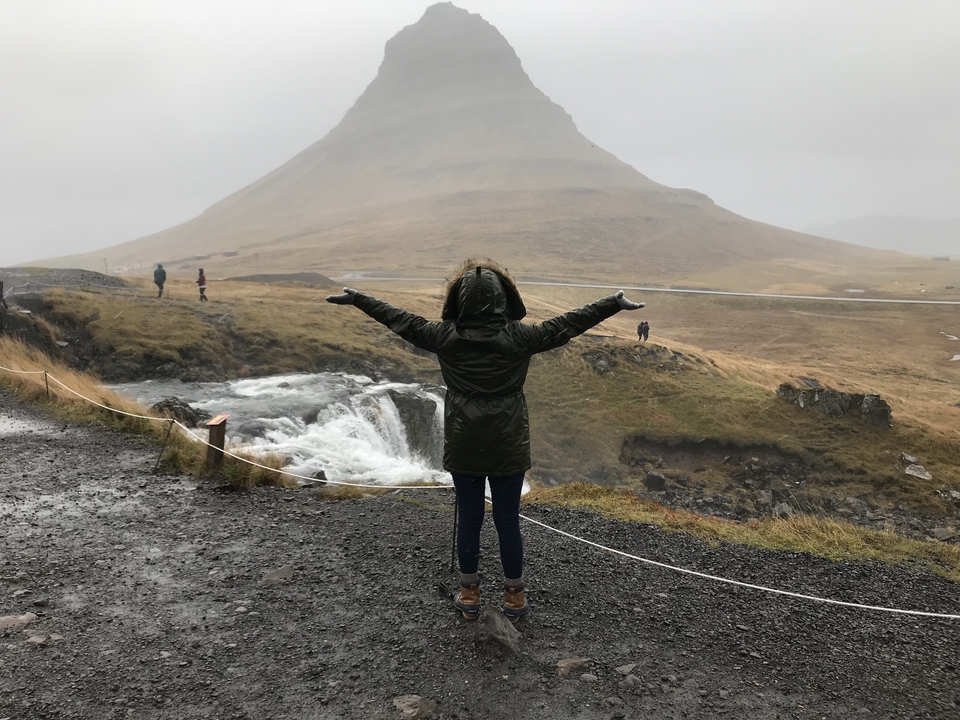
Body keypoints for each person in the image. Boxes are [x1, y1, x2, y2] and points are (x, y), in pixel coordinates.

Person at [326, 259, 644, 622]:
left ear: (458, 301)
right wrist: (612, 303)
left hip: (464, 442)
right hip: (508, 442)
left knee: (470, 520)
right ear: (503, 298)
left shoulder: (443, 336)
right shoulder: (522, 337)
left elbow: (399, 319)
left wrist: (360, 299)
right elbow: (570, 323)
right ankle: (514, 599)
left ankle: (469, 595)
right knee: (508, 521)